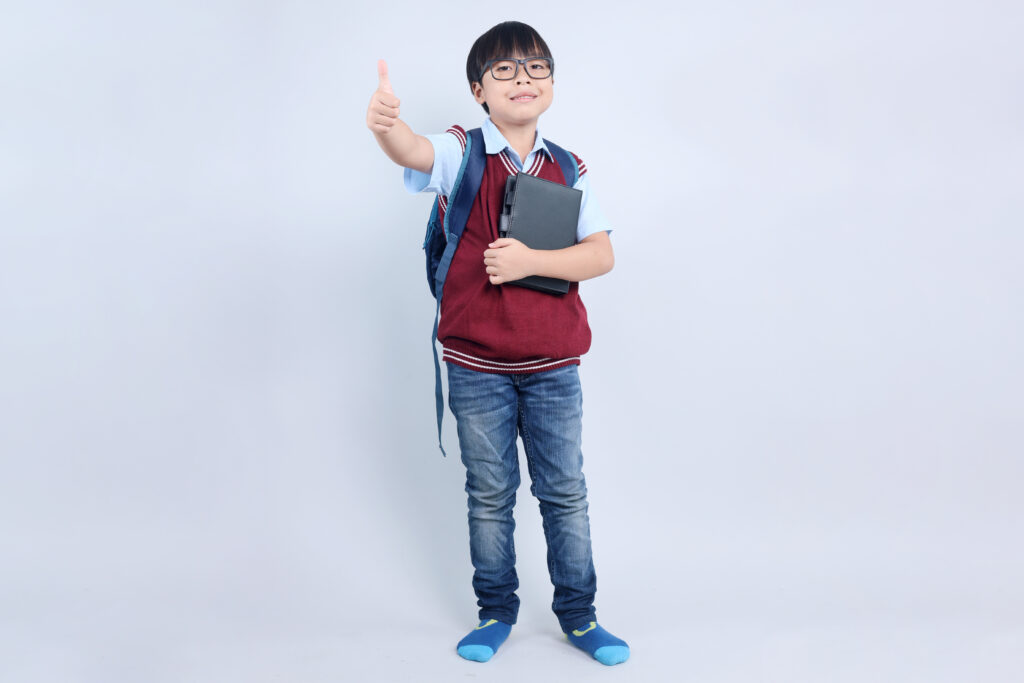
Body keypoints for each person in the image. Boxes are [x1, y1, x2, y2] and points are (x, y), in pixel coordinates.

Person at [365, 21, 629, 666]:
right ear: (478, 90)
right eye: (505, 70)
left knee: (565, 492)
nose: (523, 79)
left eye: (536, 67)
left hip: (554, 364)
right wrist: (386, 128)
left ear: (552, 83)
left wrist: (530, 261)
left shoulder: (569, 166)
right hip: (476, 363)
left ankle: (580, 616)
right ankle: (496, 612)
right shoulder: (462, 151)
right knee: (489, 494)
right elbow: (411, 150)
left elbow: (601, 255)